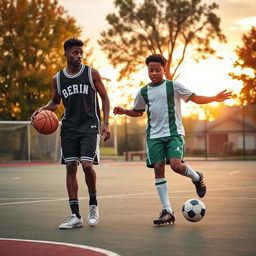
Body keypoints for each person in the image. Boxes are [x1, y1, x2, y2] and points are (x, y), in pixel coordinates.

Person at [113, 54, 232, 225]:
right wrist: (124, 111)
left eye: (157, 70)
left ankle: (197, 177)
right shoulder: (143, 91)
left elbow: (195, 98)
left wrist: (214, 98)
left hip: (174, 134)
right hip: (154, 136)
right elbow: (138, 112)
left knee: (176, 165)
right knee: (158, 168)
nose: (153, 73)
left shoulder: (173, 86)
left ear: (164, 70)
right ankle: (167, 211)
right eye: (150, 70)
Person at [32, 38, 110, 229]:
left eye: (81, 53)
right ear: (66, 54)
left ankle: (93, 203)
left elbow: (105, 98)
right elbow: (56, 103)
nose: (79, 56)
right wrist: (41, 109)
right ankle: (75, 215)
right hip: (69, 128)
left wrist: (106, 124)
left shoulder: (91, 73)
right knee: (70, 167)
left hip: (90, 126)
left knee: (86, 165)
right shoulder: (57, 79)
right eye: (75, 52)